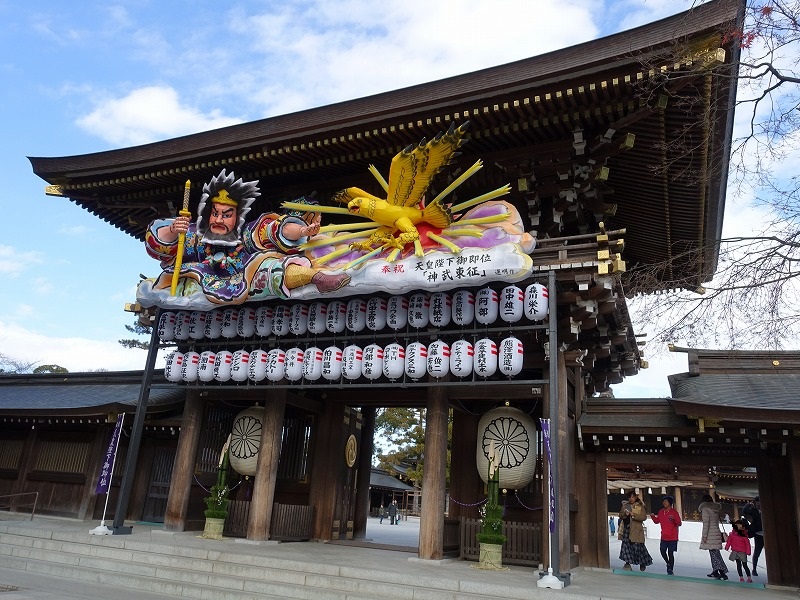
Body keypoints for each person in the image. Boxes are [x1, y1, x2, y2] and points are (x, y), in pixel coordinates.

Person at [139, 169, 350, 308]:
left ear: (237, 217)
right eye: (215, 213)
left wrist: (302, 232)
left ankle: (316, 278)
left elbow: (275, 230)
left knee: (270, 267)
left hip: (245, 271)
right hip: (204, 273)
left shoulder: (245, 234)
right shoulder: (197, 234)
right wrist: (174, 230)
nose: (219, 219)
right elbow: (158, 245)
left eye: (226, 214)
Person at [618, 492, 653, 571]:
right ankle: (627, 563)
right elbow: (620, 515)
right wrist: (625, 514)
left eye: (633, 497)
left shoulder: (640, 506)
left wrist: (634, 515)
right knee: (626, 546)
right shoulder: (625, 506)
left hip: (636, 530)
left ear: (635, 498)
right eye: (629, 497)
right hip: (627, 529)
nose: (631, 499)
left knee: (638, 547)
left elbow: (644, 517)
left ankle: (642, 562)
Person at [699, 493, 729, 580]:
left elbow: (706, 523)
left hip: (710, 534)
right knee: (715, 553)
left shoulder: (705, 509)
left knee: (714, 554)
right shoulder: (715, 509)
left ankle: (723, 572)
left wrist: (704, 536)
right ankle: (715, 571)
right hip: (716, 532)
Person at [650, 495, 682, 575]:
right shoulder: (661, 512)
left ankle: (670, 569)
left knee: (670, 553)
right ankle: (667, 563)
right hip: (664, 536)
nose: (664, 503)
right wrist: (653, 516)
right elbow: (657, 521)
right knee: (662, 551)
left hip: (673, 536)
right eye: (663, 501)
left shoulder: (674, 512)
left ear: (670, 503)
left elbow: (679, 523)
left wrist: (673, 520)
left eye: (666, 501)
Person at [742, 496, 764, 577]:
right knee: (757, 552)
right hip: (758, 533)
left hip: (767, 534)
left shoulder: (766, 510)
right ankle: (754, 569)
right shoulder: (754, 511)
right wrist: (749, 504)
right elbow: (744, 510)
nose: (759, 504)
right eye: (757, 502)